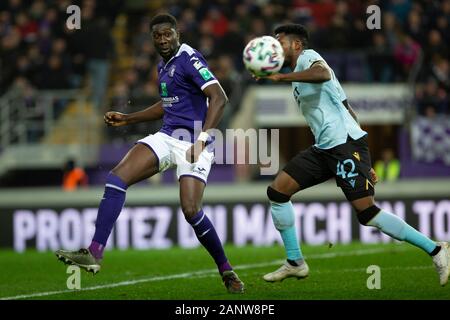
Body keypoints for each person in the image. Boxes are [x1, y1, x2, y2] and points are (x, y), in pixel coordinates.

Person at [55, 13, 244, 294]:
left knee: (191, 210)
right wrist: (127, 118)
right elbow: (166, 105)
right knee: (116, 178)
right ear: (152, 39)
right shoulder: (162, 66)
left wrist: (203, 140)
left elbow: (219, 97)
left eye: (168, 34)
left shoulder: (188, 57)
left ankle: (226, 269)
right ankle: (94, 252)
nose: (164, 39)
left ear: (177, 34)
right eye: (158, 36)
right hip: (168, 136)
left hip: (195, 140)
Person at [257, 24, 449, 286]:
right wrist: (364, 162)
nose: (275, 47)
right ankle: (295, 262)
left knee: (367, 213)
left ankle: (436, 249)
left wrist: (280, 78)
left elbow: (322, 73)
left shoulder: (309, 58)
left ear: (297, 45)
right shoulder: (298, 75)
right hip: (326, 147)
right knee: (277, 193)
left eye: (280, 42)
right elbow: (349, 109)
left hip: (343, 144)